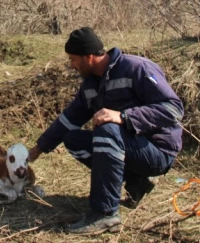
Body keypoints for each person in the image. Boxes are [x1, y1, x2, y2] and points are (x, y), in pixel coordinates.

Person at [28, 27, 184, 235]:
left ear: (89, 57)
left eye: (73, 59)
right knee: (73, 138)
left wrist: (124, 116)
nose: (71, 65)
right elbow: (69, 119)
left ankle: (105, 214)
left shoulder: (136, 68)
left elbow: (173, 109)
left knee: (108, 129)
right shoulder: (91, 85)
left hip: (158, 150)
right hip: (131, 148)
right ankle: (137, 180)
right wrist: (37, 149)